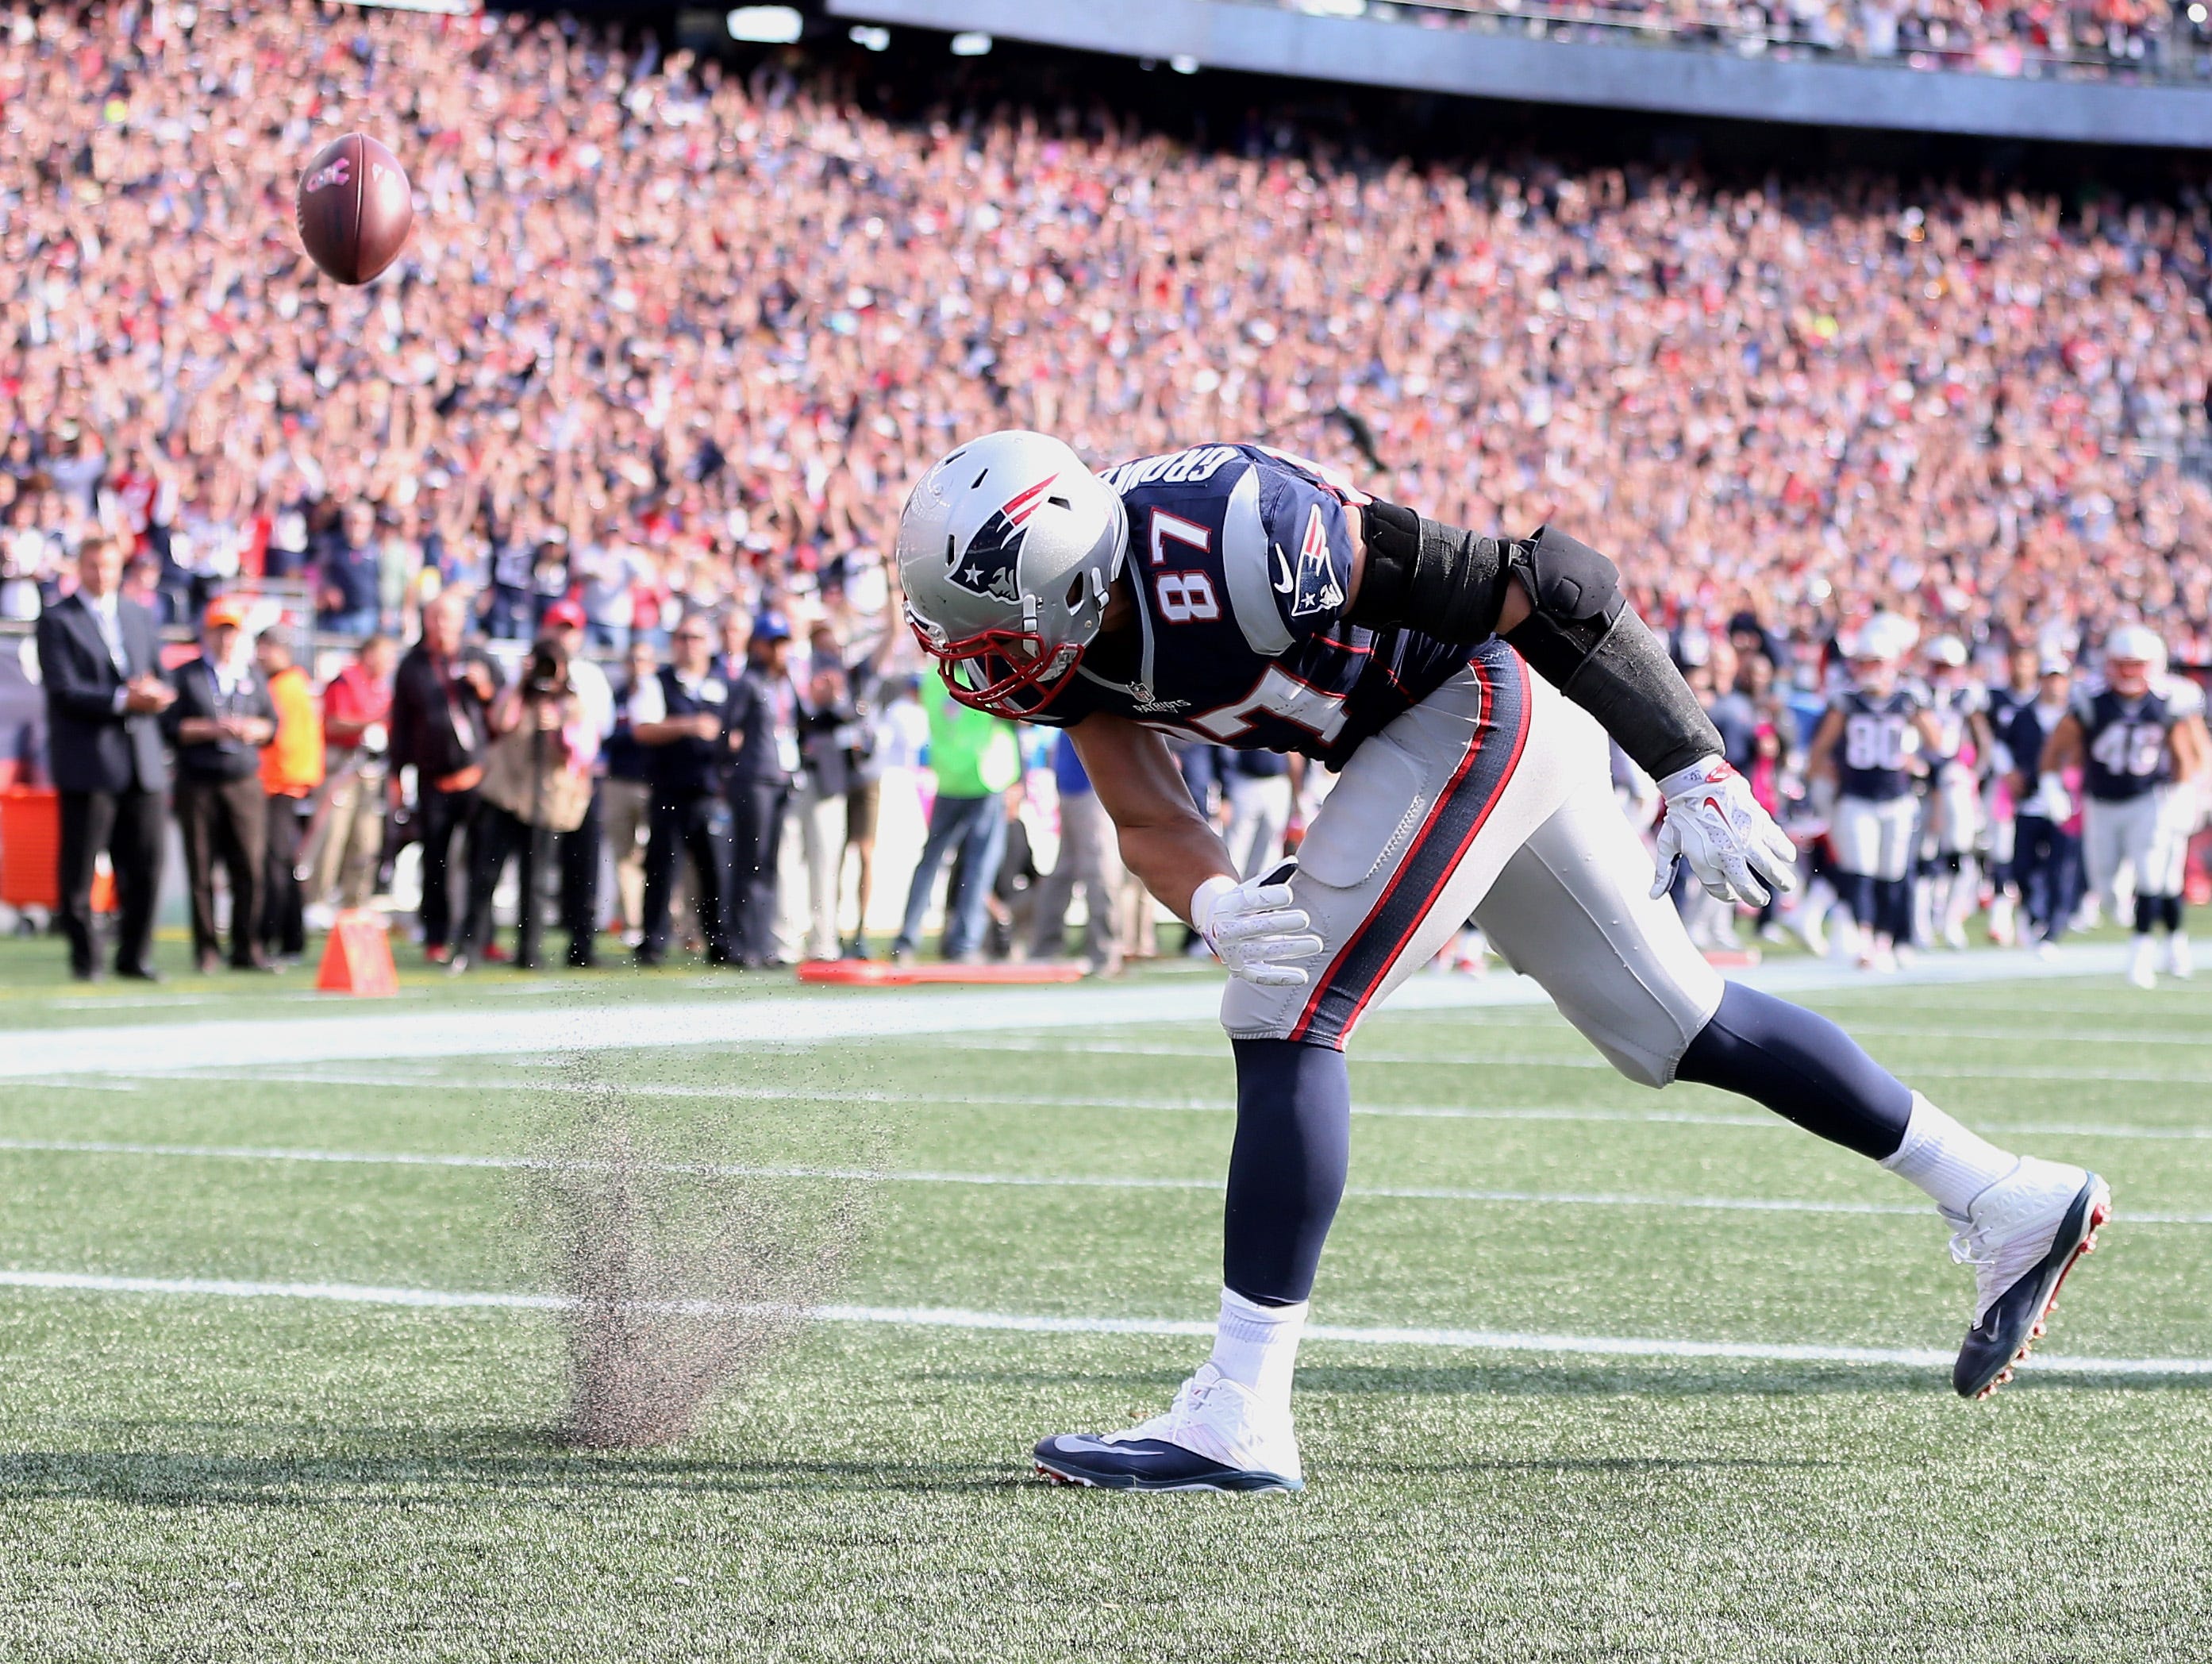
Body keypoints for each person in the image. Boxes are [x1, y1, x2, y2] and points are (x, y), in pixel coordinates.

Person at [897, 430, 2111, 1493]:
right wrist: (1212, 896)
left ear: (1072, 576)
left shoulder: (1238, 535)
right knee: (1668, 1024)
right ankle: (2004, 1194)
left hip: (1468, 703)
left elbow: (1546, 579)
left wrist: (1684, 759)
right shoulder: (1068, 639)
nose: (975, 662)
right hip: (1420, 743)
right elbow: (1151, 815)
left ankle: (1238, 1411)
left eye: (991, 631)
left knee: (1283, 1011)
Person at [33, 535, 174, 980]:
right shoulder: (58, 619)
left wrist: (157, 694)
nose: (102, 574)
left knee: (147, 865)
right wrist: (121, 699)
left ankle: (135, 956)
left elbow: (161, 674)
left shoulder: (139, 614)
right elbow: (63, 690)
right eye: (93, 565)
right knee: (80, 870)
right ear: (80, 566)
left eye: (110, 565)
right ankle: (86, 959)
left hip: (143, 761)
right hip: (90, 762)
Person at [2037, 626, 2210, 988]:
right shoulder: (2090, 699)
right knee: (2107, 887)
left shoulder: (2169, 699)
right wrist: (2052, 785)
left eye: (2137, 666)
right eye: (2123, 665)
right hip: (2101, 802)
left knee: (2154, 875)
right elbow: (2056, 748)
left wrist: (2187, 791)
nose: (2130, 674)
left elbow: (2186, 752)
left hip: (2150, 799)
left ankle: (2143, 954)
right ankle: (2154, 937)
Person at [457, 634, 598, 971]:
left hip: (546, 803)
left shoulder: (573, 705)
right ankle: (470, 946)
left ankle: (529, 952)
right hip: (506, 797)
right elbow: (500, 722)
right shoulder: (519, 696)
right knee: (485, 875)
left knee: (535, 882)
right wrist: (522, 683)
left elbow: (582, 753)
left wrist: (558, 729)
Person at [1806, 616, 1938, 971]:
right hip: (1856, 796)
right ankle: (1865, 940)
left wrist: (1917, 758)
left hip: (1897, 797)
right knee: (1860, 870)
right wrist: (1823, 773)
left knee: (1892, 873)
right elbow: (1818, 751)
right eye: (1863, 662)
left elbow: (1939, 743)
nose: (1869, 670)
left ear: (1892, 663)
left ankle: (1884, 939)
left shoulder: (1909, 699)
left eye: (1875, 662)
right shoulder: (1846, 702)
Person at [167, 595, 279, 973]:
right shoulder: (188, 675)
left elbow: (271, 725)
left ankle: (248, 946)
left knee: (249, 867)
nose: (225, 640)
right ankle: (207, 949)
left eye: (231, 632)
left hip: (243, 781)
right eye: (219, 632)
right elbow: (171, 727)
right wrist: (214, 729)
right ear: (207, 634)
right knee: (201, 869)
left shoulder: (252, 677)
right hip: (198, 780)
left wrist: (252, 730)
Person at [390, 589, 502, 964]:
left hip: (478, 777)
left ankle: (482, 936)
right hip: (433, 779)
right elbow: (401, 724)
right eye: (436, 617)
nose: (442, 625)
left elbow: (504, 710)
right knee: (434, 860)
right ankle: (435, 937)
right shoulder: (413, 665)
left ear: (461, 621)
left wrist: (484, 687)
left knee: (482, 862)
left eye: (449, 617)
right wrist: (396, 774)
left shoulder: (478, 657)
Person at [888, 664, 1021, 964]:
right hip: (987, 775)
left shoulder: (932, 679)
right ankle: (964, 944)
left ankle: (907, 939)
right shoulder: (990, 674)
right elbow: (1018, 718)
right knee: (979, 866)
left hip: (948, 775)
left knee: (930, 862)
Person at [631, 608, 735, 967]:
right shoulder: (658, 682)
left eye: (697, 639)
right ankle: (653, 942)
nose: (690, 646)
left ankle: (719, 940)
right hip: (670, 790)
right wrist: (689, 726)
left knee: (715, 872)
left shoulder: (724, 682)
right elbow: (642, 728)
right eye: (683, 638)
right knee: (662, 870)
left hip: (710, 790)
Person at [541, 598, 613, 967]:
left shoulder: (590, 676)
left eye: (570, 629)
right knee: (535, 859)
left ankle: (581, 942)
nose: (564, 636)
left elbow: (604, 726)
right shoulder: (535, 668)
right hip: (538, 778)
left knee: (584, 860)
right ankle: (531, 943)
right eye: (558, 627)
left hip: (580, 777)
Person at [723, 612, 798, 966]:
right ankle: (742, 943)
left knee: (768, 864)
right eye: (775, 644)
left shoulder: (781, 684)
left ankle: (763, 942)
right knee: (749, 862)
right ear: (760, 647)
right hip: (754, 779)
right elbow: (727, 730)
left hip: (779, 778)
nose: (781, 651)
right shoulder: (749, 684)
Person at [1917, 635, 1992, 951]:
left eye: (1950, 667)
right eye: (1939, 666)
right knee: (1923, 855)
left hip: (1954, 782)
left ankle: (1950, 920)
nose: (1944, 673)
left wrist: (1973, 775)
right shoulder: (1916, 694)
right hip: (1919, 781)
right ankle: (1920, 923)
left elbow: (1983, 740)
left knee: (1959, 852)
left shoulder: (1967, 696)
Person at [314, 634, 398, 916]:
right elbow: (333, 723)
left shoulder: (382, 687)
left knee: (367, 839)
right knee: (332, 836)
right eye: (386, 656)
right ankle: (318, 900)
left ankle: (356, 901)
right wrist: (371, 722)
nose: (390, 663)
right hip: (343, 766)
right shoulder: (346, 681)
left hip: (372, 770)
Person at [1028, 730, 1125, 974]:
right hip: (1090, 780)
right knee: (1099, 870)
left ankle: (1044, 948)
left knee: (1066, 869)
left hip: (1075, 777)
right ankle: (1104, 953)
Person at [256, 628, 325, 964]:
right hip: (285, 784)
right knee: (281, 863)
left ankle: (284, 938)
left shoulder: (284, 687)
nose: (260, 655)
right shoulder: (294, 684)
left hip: (278, 785)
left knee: (277, 864)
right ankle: (285, 937)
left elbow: (282, 741)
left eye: (266, 648)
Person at [2003, 652, 2080, 953]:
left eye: (2059, 679)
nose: (2053, 685)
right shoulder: (2024, 715)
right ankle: (2035, 913)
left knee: (2062, 867)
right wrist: (2009, 772)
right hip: (2030, 800)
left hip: (2066, 802)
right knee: (2023, 865)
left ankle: (2053, 928)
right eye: (2048, 678)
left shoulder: (2078, 715)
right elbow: (2002, 745)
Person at [790, 624, 856, 962]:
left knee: (825, 861)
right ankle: (786, 941)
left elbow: (848, 714)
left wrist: (834, 697)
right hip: (784, 773)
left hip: (825, 775)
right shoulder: (783, 661)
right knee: (787, 861)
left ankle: (824, 939)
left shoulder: (835, 670)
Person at [602, 637, 660, 944]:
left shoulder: (660, 694)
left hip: (653, 783)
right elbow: (608, 735)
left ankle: (666, 923)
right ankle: (634, 923)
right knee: (624, 856)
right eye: (633, 660)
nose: (638, 667)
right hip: (620, 782)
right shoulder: (619, 696)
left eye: (644, 660)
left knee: (657, 854)